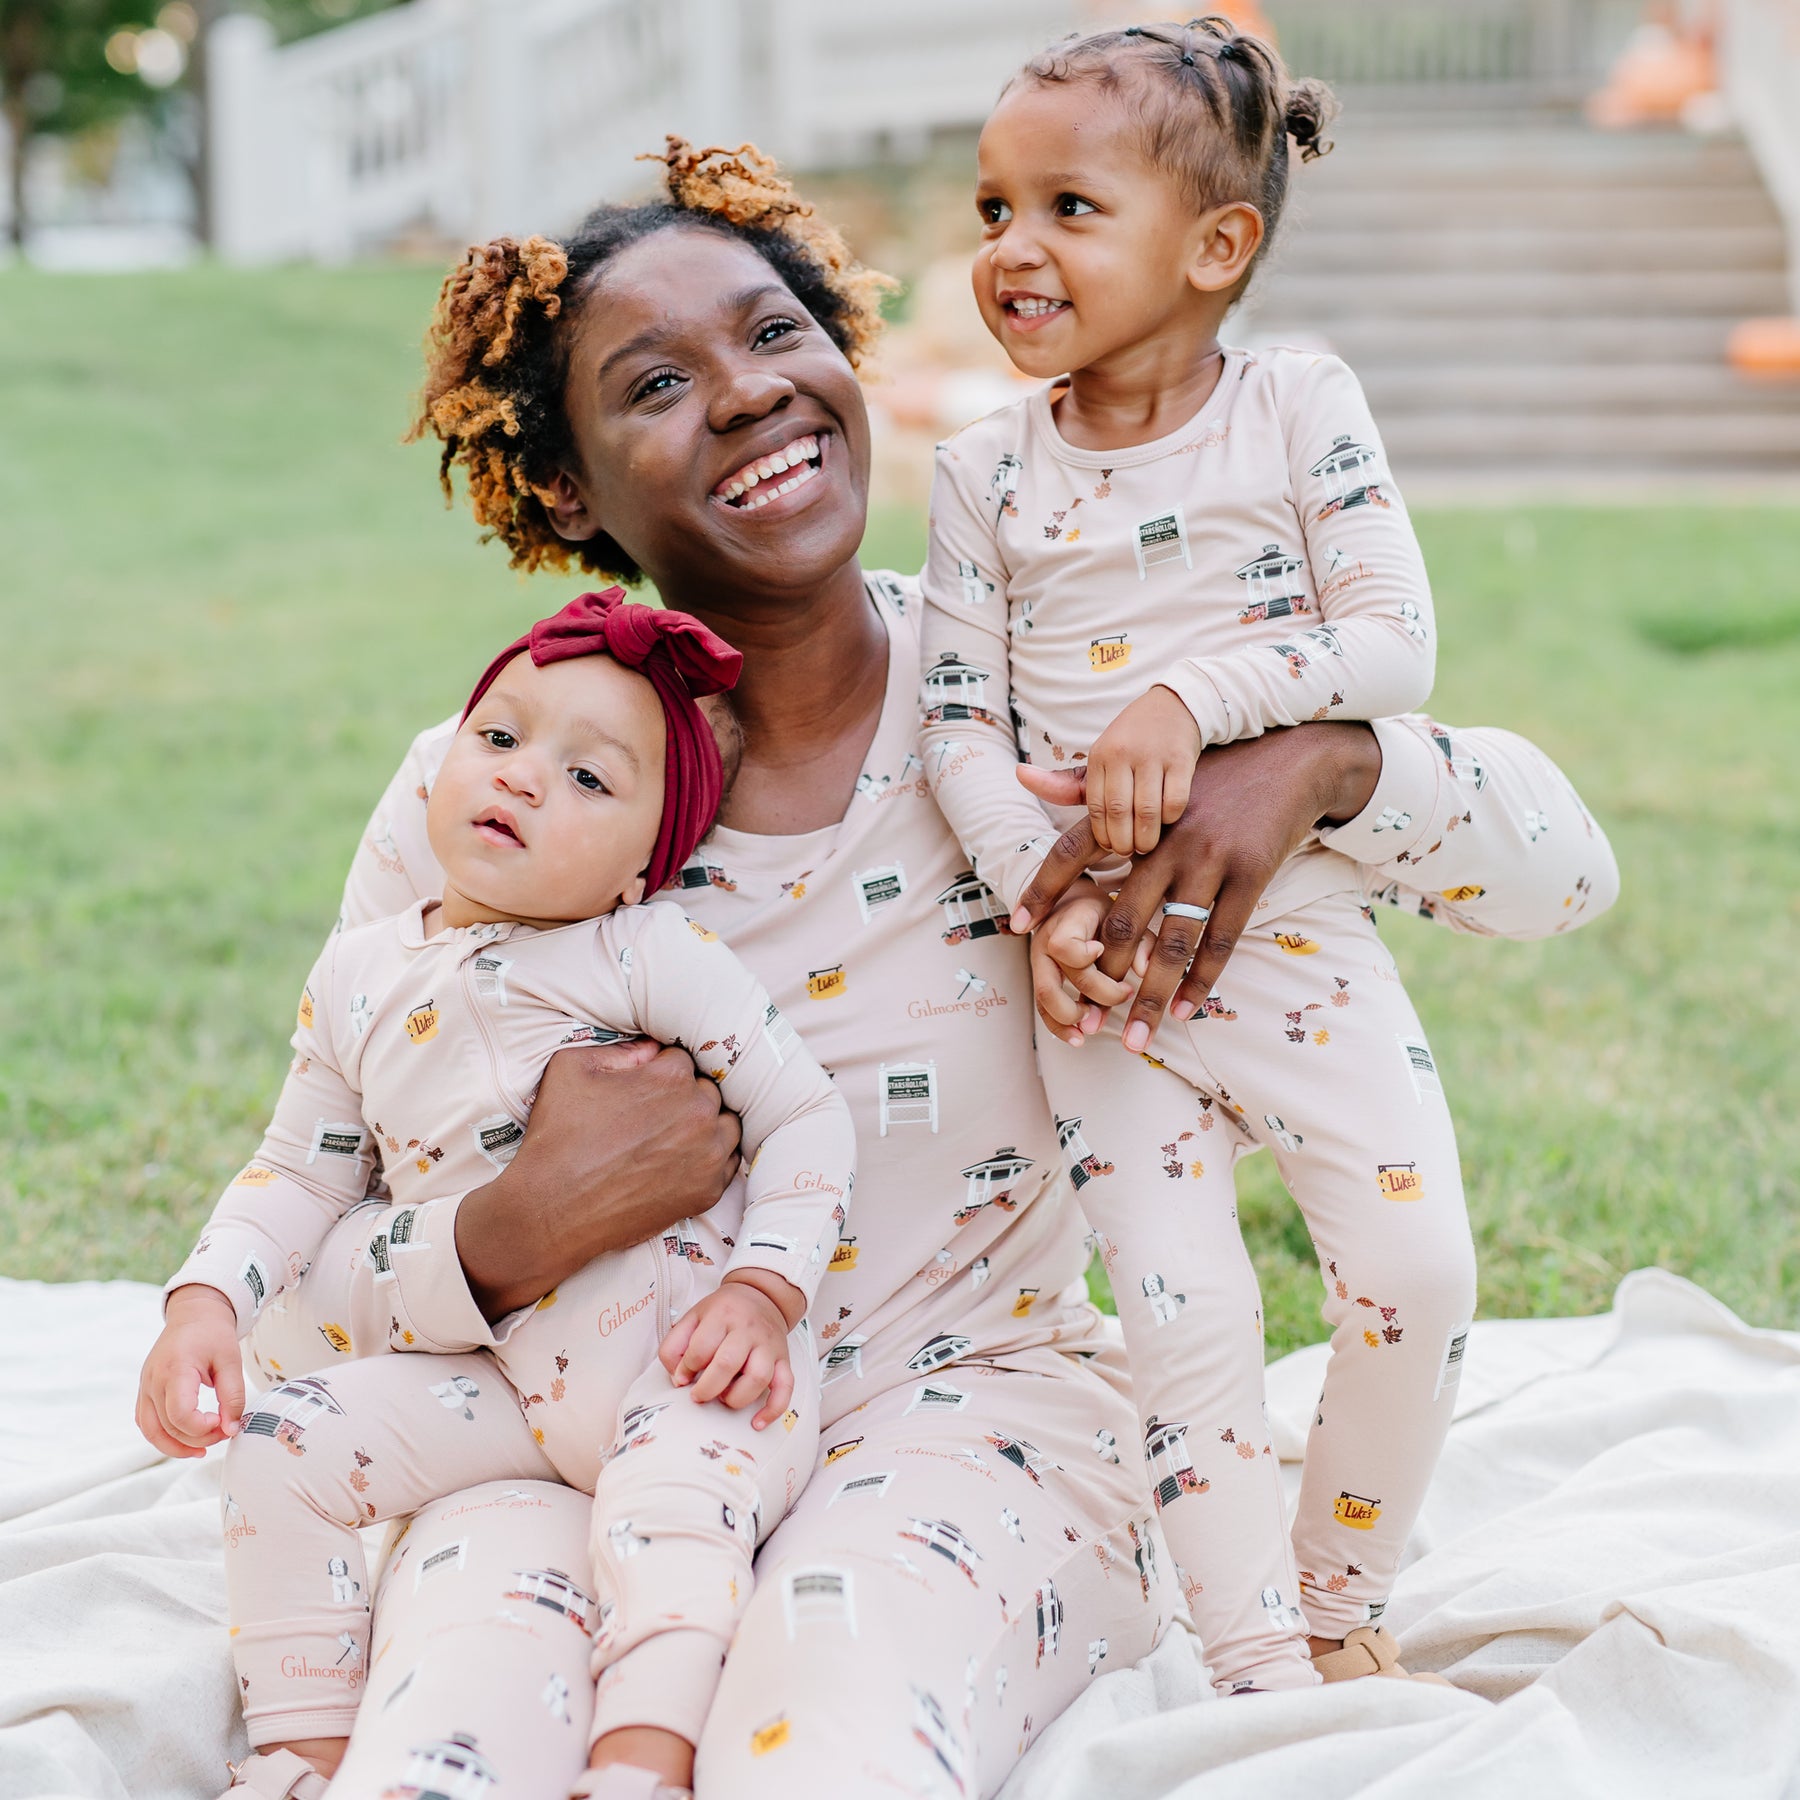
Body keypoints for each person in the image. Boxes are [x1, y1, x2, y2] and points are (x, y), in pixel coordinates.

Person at [225, 138, 1616, 1798]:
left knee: (819, 1753)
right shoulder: (489, 789)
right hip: (559, 1441)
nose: (746, 396)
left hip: (966, 1427)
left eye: (774, 333)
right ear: (572, 489)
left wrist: (1325, 762)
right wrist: (513, 1231)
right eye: (656, 382)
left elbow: (1561, 874)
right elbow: (299, 1269)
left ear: (843, 358)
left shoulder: (1053, 713)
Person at [919, 16, 1617, 1697]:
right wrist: (1037, 895)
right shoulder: (977, 472)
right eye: (995, 205)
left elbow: (1391, 647)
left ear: (1217, 245)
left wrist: (1193, 697)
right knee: (1184, 1318)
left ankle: (1336, 1584)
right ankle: (1253, 1656)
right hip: (1099, 976)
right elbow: (953, 721)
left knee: (1416, 1264)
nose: (1013, 247)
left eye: (1069, 208)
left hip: (1294, 937)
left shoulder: (1295, 406)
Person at [136, 592, 856, 1800]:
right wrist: (204, 1301)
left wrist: (764, 1292)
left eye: (588, 778)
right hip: (505, 1384)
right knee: (276, 1448)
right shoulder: (361, 974)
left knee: (672, 1508)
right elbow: (300, 1166)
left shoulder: (645, 955)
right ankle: (300, 1752)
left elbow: (804, 1115)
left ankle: (643, 1758)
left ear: (643, 867)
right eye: (502, 738)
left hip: (690, 1365)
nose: (521, 780)